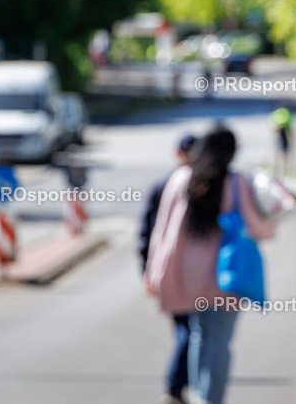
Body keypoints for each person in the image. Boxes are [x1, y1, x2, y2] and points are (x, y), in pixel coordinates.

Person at [145, 126, 275, 404]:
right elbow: (258, 227)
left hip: (190, 276)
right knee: (220, 341)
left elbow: (164, 231)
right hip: (226, 276)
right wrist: (275, 221)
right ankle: (209, 399)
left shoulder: (182, 179)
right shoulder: (237, 181)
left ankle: (198, 396)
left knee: (199, 334)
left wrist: (153, 272)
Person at [138, 134, 196, 404]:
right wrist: (147, 271)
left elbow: (147, 233)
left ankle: (181, 383)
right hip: (181, 270)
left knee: (187, 327)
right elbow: (149, 232)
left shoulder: (172, 184)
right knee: (188, 328)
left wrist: (147, 269)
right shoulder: (169, 185)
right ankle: (176, 384)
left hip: (183, 270)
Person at [270, 105, 293, 175]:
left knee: (283, 153)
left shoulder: (277, 115)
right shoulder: (284, 115)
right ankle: (278, 169)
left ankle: (284, 169)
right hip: (281, 136)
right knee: (279, 152)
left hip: (284, 136)